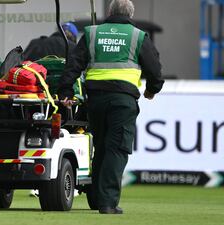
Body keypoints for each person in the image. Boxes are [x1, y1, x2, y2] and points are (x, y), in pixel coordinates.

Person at [58, 0, 164, 214]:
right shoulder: (138, 36)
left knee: (101, 147)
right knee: (117, 149)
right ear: (131, 14)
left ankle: (96, 199)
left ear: (109, 12)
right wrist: (152, 90)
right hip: (123, 101)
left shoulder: (92, 33)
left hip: (95, 100)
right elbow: (154, 69)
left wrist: (66, 91)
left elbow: (74, 64)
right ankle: (107, 203)